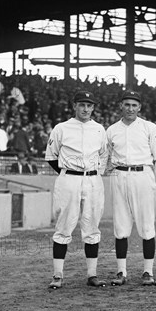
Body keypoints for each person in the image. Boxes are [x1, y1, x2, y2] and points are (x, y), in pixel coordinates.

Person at [44, 91, 109, 289]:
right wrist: (68, 172)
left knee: (91, 226)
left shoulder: (99, 129)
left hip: (92, 179)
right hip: (69, 179)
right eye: (82, 105)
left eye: (89, 106)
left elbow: (104, 155)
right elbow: (51, 156)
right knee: (64, 225)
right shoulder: (61, 128)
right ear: (74, 106)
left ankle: (92, 274)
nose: (86, 109)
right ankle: (57, 275)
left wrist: (94, 173)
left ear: (93, 108)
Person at [105, 91, 156, 286]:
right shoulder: (112, 129)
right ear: (121, 106)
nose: (130, 108)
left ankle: (148, 271)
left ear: (139, 107)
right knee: (121, 225)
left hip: (143, 175)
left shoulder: (149, 127)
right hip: (119, 174)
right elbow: (105, 156)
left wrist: (152, 181)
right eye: (127, 104)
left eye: (134, 105)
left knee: (147, 225)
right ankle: (121, 271)